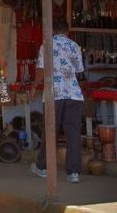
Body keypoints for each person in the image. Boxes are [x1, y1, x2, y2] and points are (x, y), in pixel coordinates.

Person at [30, 18, 85, 183]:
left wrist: (34, 86)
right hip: (74, 94)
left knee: (50, 131)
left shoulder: (46, 44)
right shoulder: (74, 46)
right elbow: (79, 70)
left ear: (53, 31)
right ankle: (73, 173)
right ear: (67, 32)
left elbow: (40, 69)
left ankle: (43, 167)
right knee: (73, 133)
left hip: (54, 94)